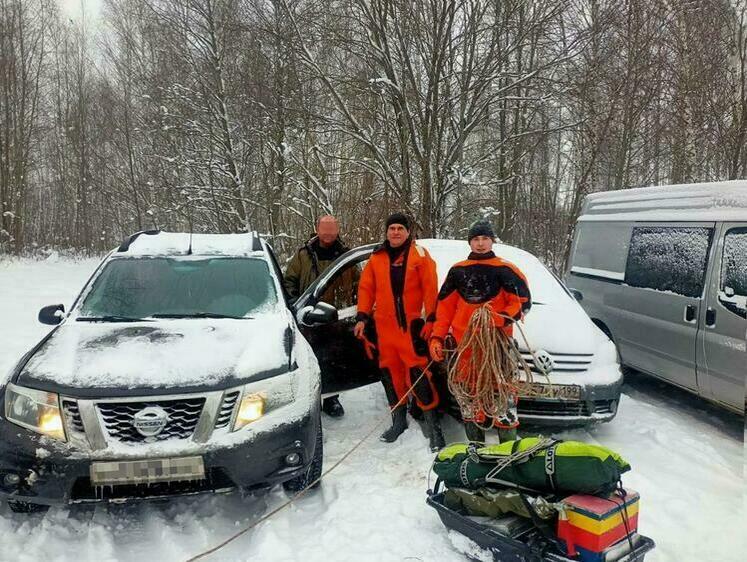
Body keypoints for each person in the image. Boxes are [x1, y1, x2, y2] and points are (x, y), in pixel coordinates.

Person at [429, 219, 531, 443]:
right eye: (476, 239)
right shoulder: (457, 271)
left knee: (503, 397)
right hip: (464, 347)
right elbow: (444, 308)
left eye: (485, 238)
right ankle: (477, 449)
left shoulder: (506, 270)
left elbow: (522, 303)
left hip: (496, 347)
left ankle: (507, 450)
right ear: (470, 242)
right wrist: (437, 337)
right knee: (469, 399)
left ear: (492, 240)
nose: (481, 243)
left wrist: (497, 319)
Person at [353, 213, 445, 451]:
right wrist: (362, 316)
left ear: (408, 232)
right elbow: (366, 288)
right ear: (386, 232)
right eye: (391, 228)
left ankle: (435, 429)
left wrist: (431, 319)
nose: (395, 232)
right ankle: (398, 421)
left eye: (400, 228)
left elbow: (430, 289)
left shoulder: (420, 256)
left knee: (419, 376)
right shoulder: (377, 257)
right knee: (391, 377)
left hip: (410, 329)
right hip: (384, 330)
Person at [285, 215, 352, 417]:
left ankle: (332, 399)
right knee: (311, 359)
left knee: (335, 358)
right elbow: (289, 281)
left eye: (332, 230)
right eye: (325, 230)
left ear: (337, 230)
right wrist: (296, 305)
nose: (329, 234)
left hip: (337, 316)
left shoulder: (346, 255)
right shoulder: (303, 255)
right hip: (310, 317)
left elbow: (359, 283)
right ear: (317, 229)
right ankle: (310, 399)